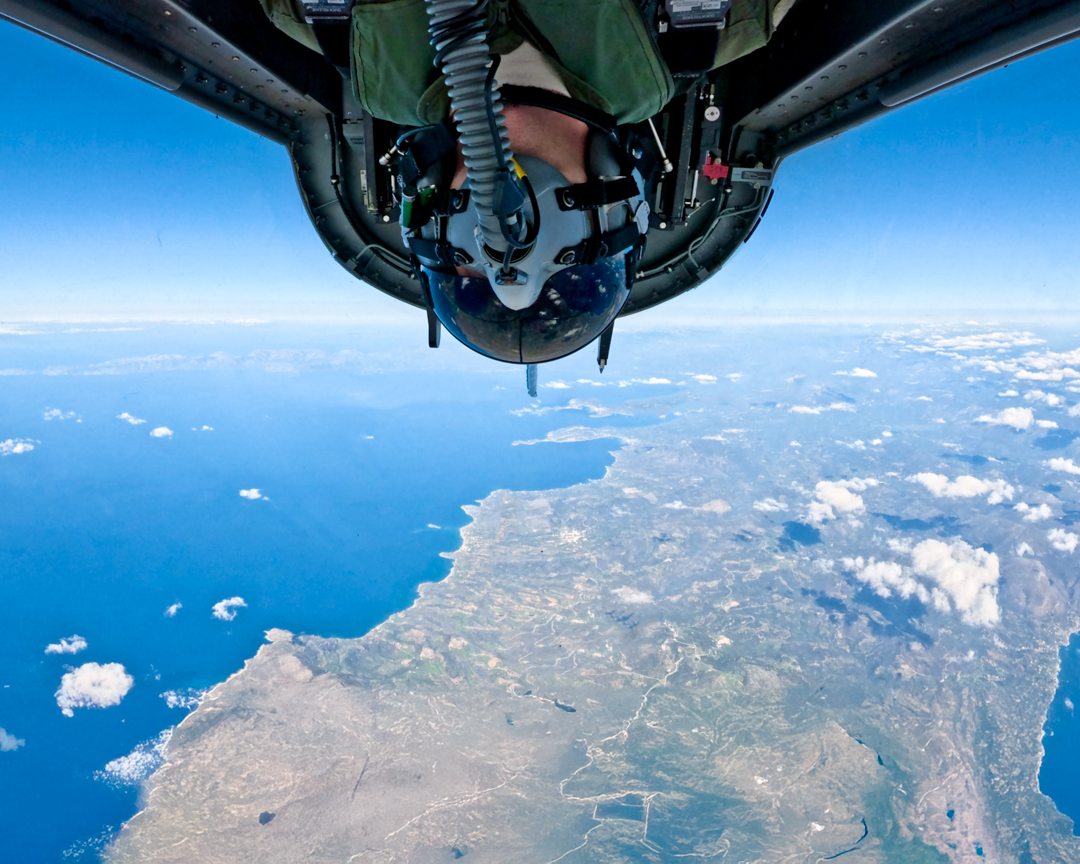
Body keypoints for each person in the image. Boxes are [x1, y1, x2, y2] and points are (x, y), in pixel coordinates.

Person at [261, 0, 793, 365]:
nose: (507, 258)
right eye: (567, 270)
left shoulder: (359, 53)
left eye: (471, 269)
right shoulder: (700, 29)